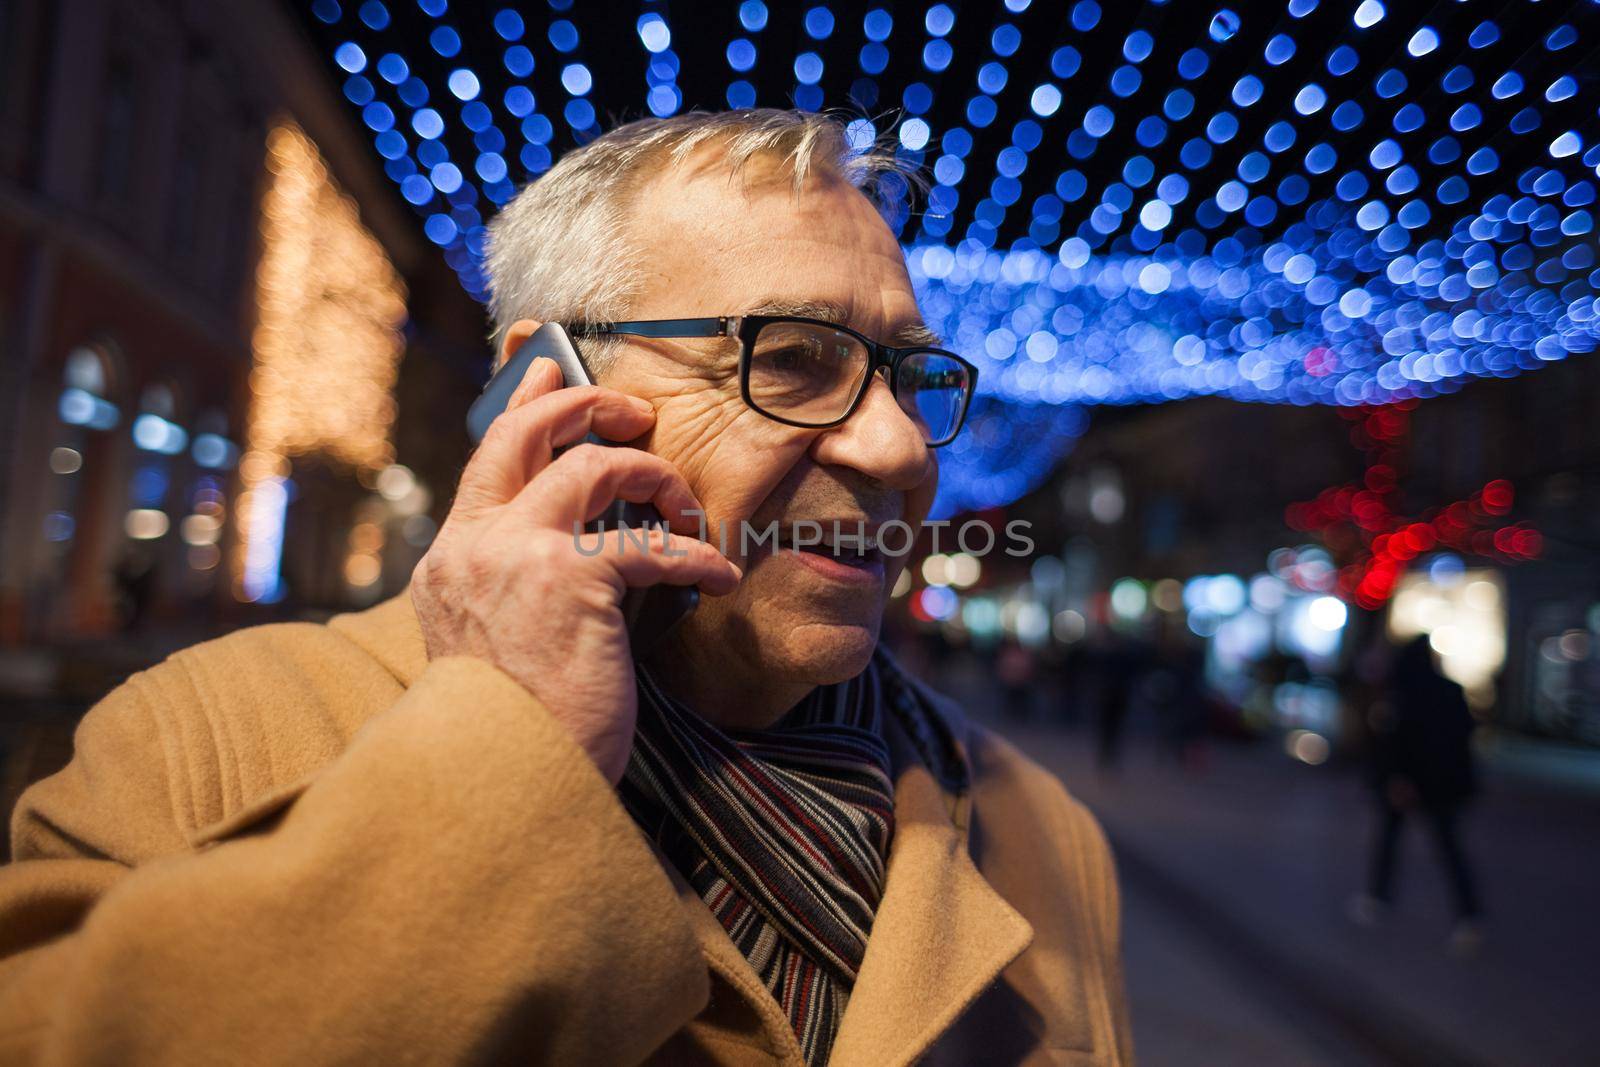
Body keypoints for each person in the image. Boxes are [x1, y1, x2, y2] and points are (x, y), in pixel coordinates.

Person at [0, 110, 1130, 1064]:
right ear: (549, 387)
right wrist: (506, 750)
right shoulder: (206, 735)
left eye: (910, 375)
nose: (896, 449)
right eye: (790, 359)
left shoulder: (1040, 825)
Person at [1351, 634, 1484, 954]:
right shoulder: (1450, 691)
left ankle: (1379, 898)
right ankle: (1469, 914)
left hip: (1413, 784)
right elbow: (1464, 740)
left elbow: (1395, 741)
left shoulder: (1402, 693)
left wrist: (1397, 778)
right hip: (1441, 785)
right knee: (1446, 848)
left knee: (1397, 841)